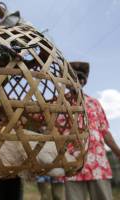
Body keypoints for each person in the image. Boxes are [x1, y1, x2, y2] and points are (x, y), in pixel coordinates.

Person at [64, 61, 120, 200]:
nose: (76, 81)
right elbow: (40, 120)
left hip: (97, 165)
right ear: (65, 81)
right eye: (71, 77)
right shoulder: (58, 103)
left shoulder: (94, 103)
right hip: (71, 164)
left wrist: (118, 152)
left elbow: (105, 131)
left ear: (84, 81)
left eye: (79, 77)